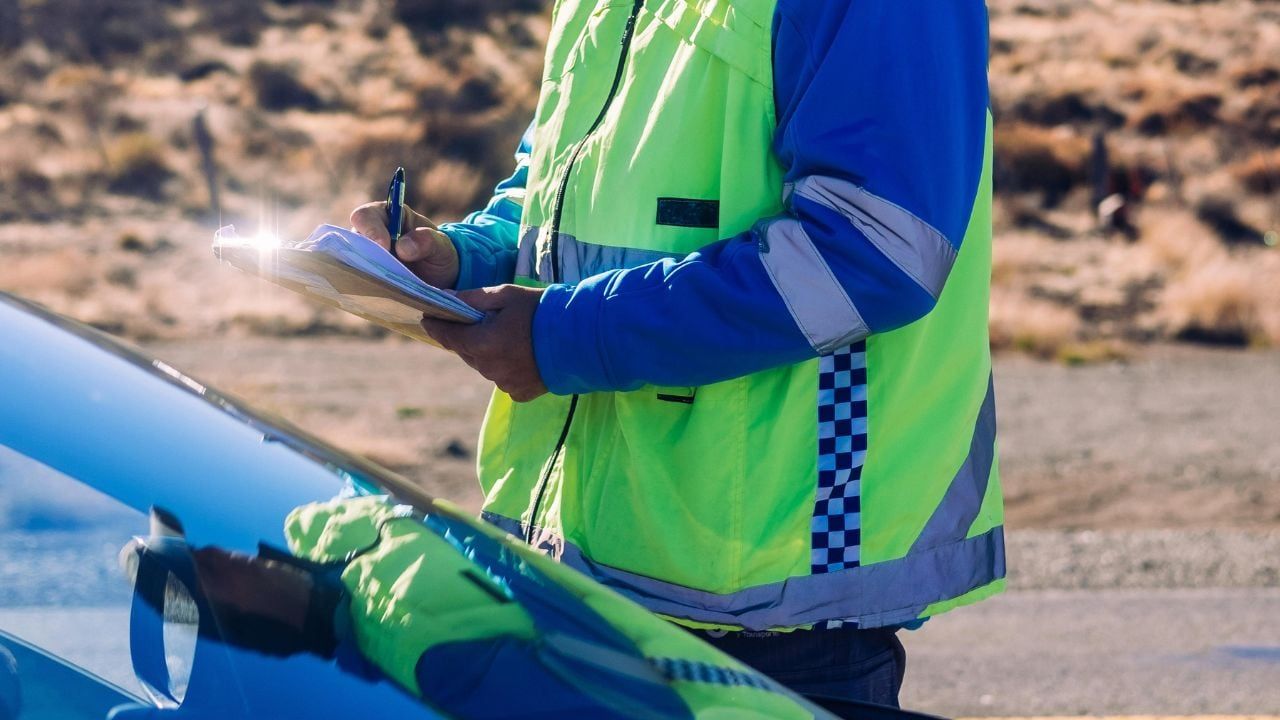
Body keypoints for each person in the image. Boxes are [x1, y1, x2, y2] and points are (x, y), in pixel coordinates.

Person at [349, 0, 1002, 708]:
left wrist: (565, 336)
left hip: (777, 609)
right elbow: (558, 193)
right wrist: (460, 257)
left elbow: (875, 251)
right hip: (577, 574)